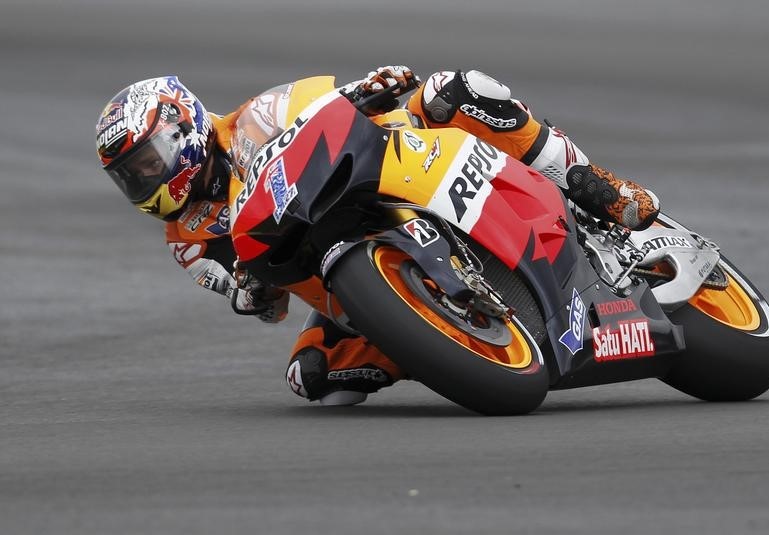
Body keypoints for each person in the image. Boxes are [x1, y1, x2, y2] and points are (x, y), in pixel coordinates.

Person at [96, 66, 660, 406]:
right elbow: (254, 301)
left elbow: (332, 109)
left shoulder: (256, 115)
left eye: (147, 161)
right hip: (336, 268)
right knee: (312, 378)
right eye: (132, 175)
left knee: (456, 89)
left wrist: (373, 87)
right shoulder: (187, 236)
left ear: (182, 126)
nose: (144, 179)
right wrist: (251, 293)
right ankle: (437, 339)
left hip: (392, 169)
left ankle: (589, 183)